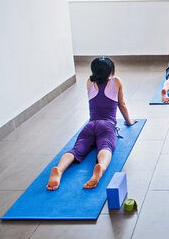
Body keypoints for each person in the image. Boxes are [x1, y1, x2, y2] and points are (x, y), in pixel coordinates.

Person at [47, 57, 136, 191]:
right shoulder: (116, 82)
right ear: (110, 71)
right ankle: (101, 167)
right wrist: (129, 122)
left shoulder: (89, 82)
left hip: (90, 125)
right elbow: (121, 105)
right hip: (107, 125)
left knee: (77, 149)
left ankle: (59, 170)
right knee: (106, 146)